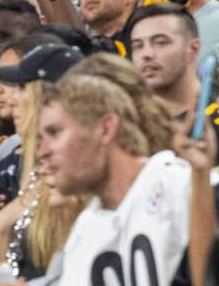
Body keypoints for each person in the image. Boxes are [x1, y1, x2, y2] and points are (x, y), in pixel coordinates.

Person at [40, 61, 191, 284]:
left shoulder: (176, 183)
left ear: (106, 129)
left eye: (55, 133)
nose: (42, 152)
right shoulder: (86, 227)